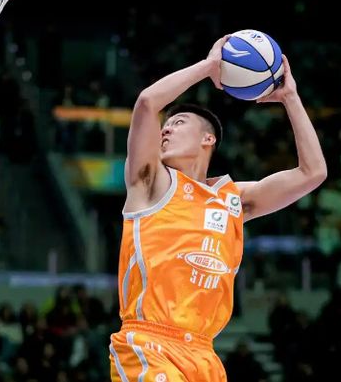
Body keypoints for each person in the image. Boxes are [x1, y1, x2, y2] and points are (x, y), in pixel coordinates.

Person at [109, 36, 327, 381]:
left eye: (178, 123)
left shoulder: (233, 198)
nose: (166, 130)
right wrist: (209, 67)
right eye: (166, 125)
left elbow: (312, 173)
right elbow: (148, 103)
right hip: (149, 344)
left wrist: (290, 98)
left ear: (207, 139)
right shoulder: (150, 182)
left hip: (204, 355)